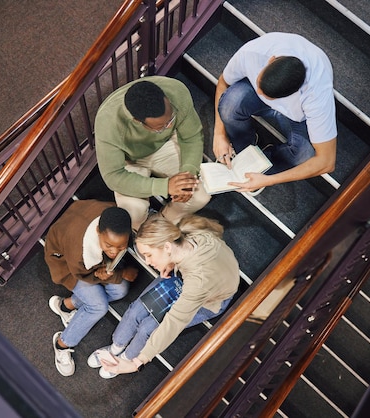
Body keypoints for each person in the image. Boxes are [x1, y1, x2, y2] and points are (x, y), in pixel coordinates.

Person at [87, 213, 240, 378]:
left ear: (167, 247)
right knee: (136, 310)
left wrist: (135, 363)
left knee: (149, 327)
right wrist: (172, 262)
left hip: (208, 300)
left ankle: (126, 357)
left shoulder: (198, 283)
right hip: (185, 274)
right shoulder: (183, 238)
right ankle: (115, 347)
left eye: (149, 255)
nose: (147, 261)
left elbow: (173, 323)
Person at [213, 32, 338, 194]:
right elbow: (223, 81)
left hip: (298, 117)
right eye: (259, 83)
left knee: (304, 153)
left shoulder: (316, 94)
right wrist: (219, 134)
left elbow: (327, 161)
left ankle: (263, 165)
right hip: (269, 93)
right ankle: (244, 147)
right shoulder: (253, 52)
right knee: (230, 103)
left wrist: (270, 180)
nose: (259, 91)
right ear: (271, 60)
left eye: (268, 95)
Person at [95, 76, 211, 231]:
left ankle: (161, 223)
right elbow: (113, 176)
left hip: (165, 145)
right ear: (137, 121)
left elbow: (191, 137)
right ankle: (143, 229)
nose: (169, 124)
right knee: (132, 215)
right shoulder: (108, 123)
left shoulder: (176, 91)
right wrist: (165, 186)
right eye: (162, 126)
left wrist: (187, 175)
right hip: (129, 161)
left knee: (201, 193)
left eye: (171, 120)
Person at [44, 199, 139, 377]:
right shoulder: (79, 252)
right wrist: (113, 273)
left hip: (88, 260)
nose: (114, 252)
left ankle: (67, 306)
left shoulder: (113, 215)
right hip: (66, 264)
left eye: (121, 246)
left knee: (120, 290)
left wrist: (113, 272)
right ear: (98, 232)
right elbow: (82, 274)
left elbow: (111, 252)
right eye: (109, 246)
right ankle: (62, 343)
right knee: (98, 307)